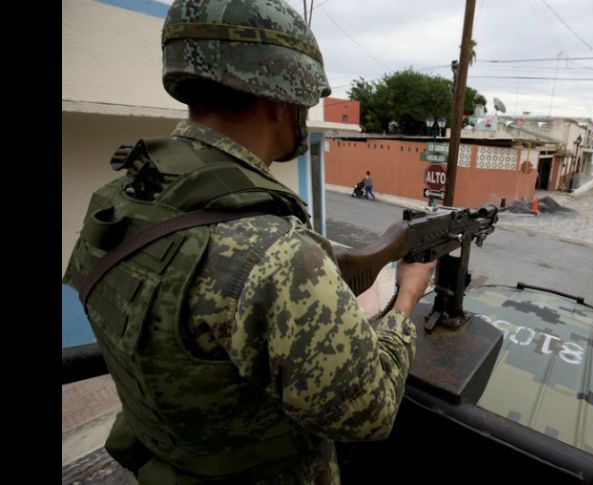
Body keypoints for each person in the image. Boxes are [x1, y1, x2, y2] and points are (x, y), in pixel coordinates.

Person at [62, 0, 434, 483]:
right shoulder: (277, 253)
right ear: (281, 97)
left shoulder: (119, 200)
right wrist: (406, 295)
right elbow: (370, 412)